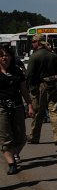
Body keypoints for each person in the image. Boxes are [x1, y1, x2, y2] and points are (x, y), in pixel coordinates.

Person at [26, 34, 57, 146]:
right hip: (52, 86)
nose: (32, 43)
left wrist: (31, 89)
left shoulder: (34, 56)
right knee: (54, 111)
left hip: (39, 87)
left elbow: (29, 75)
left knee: (38, 113)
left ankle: (34, 137)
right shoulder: (53, 56)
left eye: (34, 41)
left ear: (39, 42)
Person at [0, 46, 34, 174]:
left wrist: (30, 105)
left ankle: (13, 153)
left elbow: (24, 91)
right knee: (5, 136)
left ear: (11, 57)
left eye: (7, 55)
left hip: (17, 106)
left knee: (21, 137)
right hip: (1, 107)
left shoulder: (17, 71)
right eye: (2, 55)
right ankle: (11, 164)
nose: (4, 57)